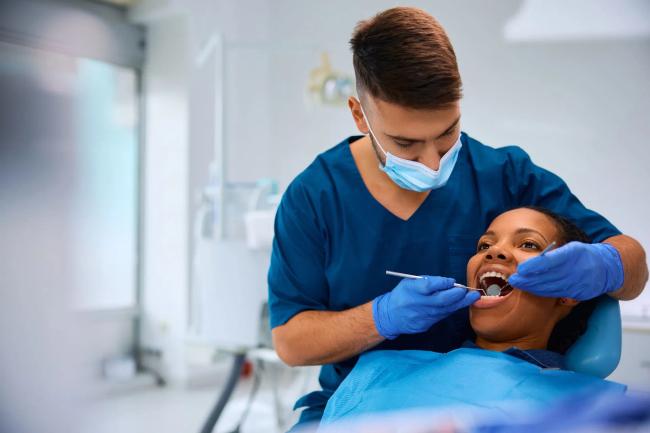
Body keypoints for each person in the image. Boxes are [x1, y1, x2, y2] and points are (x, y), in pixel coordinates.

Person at [268, 7, 648, 430]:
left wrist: (605, 265)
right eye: (407, 144)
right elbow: (290, 342)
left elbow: (632, 266)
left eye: (447, 133)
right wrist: (382, 317)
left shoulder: (504, 176)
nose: (432, 163)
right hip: (363, 401)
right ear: (360, 116)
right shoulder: (316, 197)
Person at [320, 207, 626, 425]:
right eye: (485, 245)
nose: (494, 253)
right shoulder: (381, 369)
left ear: (568, 289)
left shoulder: (596, 410)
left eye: (528, 244)